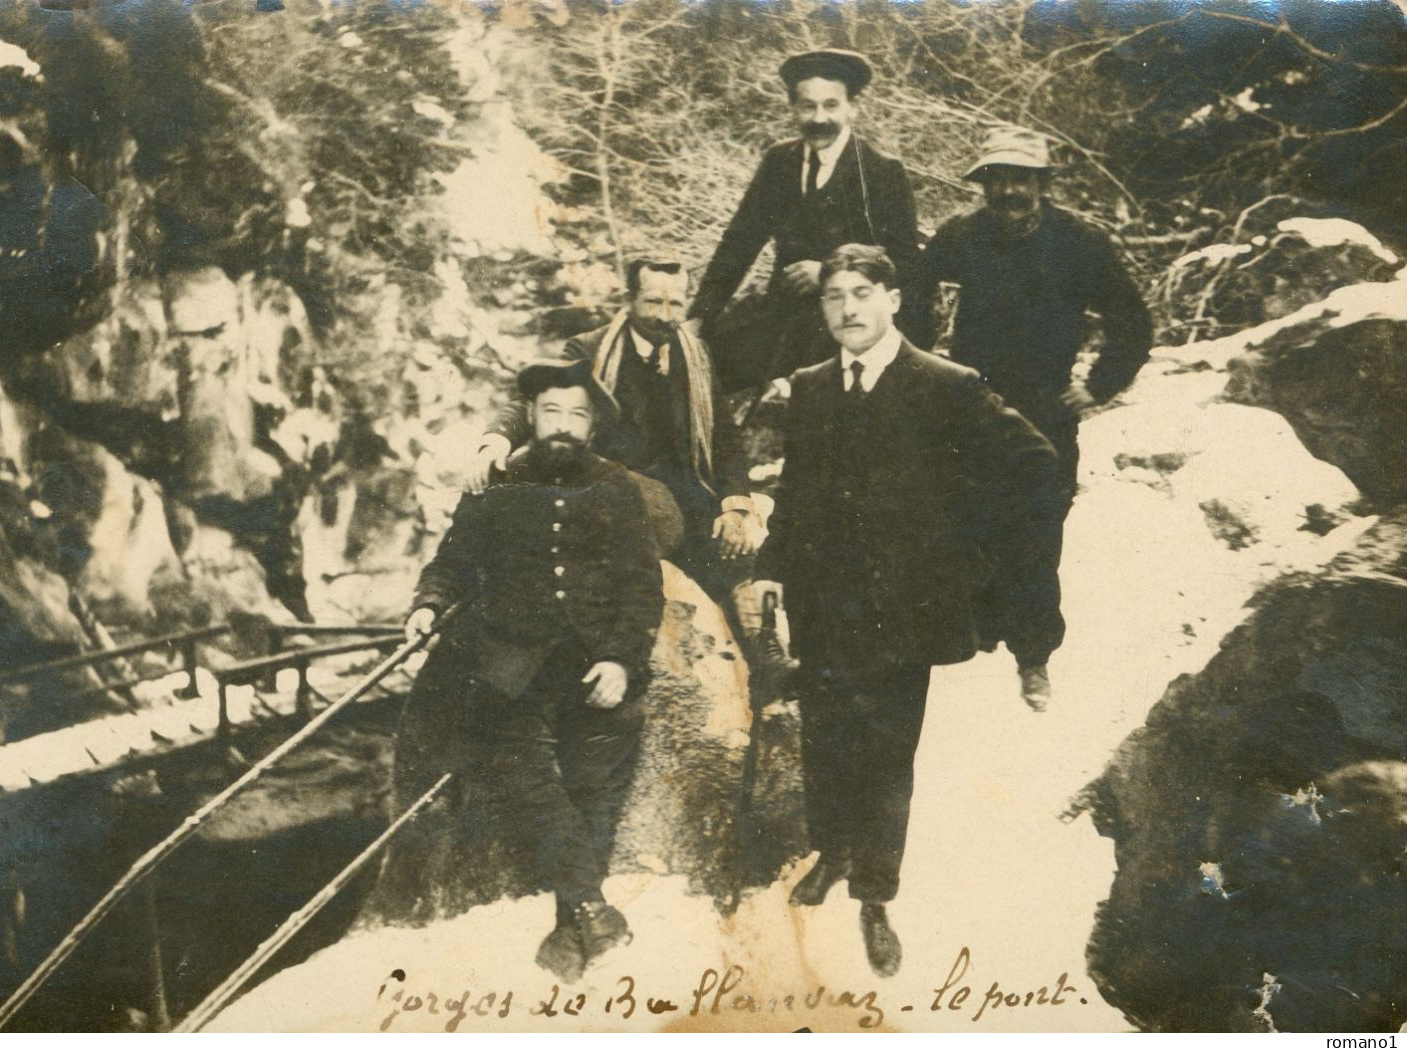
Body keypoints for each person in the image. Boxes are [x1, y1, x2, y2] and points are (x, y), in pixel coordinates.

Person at [752, 244, 1058, 977]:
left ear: (893, 298)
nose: (848, 309)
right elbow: (794, 492)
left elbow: (1034, 463)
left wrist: (963, 546)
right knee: (825, 731)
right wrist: (771, 567)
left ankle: (875, 892)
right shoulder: (811, 385)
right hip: (823, 598)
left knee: (886, 748)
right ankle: (830, 850)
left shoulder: (945, 384)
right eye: (833, 296)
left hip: (903, 605)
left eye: (862, 292)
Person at [405, 358, 665, 983]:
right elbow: (452, 562)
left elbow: (641, 588)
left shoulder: (616, 486)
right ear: (531, 417)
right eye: (552, 412)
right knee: (519, 771)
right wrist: (426, 606)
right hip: (508, 661)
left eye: (578, 416)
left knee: (595, 782)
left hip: (592, 659)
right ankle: (593, 907)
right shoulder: (497, 483)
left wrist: (620, 661)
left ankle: (567, 920)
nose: (563, 426)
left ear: (593, 426)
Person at [903, 127, 1155, 710]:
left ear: (1042, 184)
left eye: (1021, 179)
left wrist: (1096, 385)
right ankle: (966, 638)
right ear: (983, 185)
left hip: (1046, 408)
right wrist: (924, 370)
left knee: (1038, 531)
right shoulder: (961, 236)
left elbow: (1133, 323)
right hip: (970, 403)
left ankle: (1034, 658)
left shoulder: (1079, 241)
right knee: (963, 517)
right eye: (997, 180)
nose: (1009, 192)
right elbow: (913, 299)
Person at [465, 256, 783, 690]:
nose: (665, 316)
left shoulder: (696, 354)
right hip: (608, 484)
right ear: (630, 300)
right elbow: (534, 402)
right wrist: (497, 441)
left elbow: (723, 436)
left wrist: (735, 504)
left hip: (685, 490)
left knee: (729, 550)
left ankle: (765, 657)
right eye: (653, 302)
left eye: (676, 304)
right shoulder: (590, 349)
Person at [686, 49, 928, 392]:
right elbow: (740, 243)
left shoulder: (881, 170)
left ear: (851, 108)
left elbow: (904, 261)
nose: (818, 118)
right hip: (782, 317)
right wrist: (700, 315)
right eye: (807, 106)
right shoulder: (778, 161)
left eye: (831, 105)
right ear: (792, 108)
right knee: (700, 368)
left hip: (850, 322)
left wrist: (828, 271)